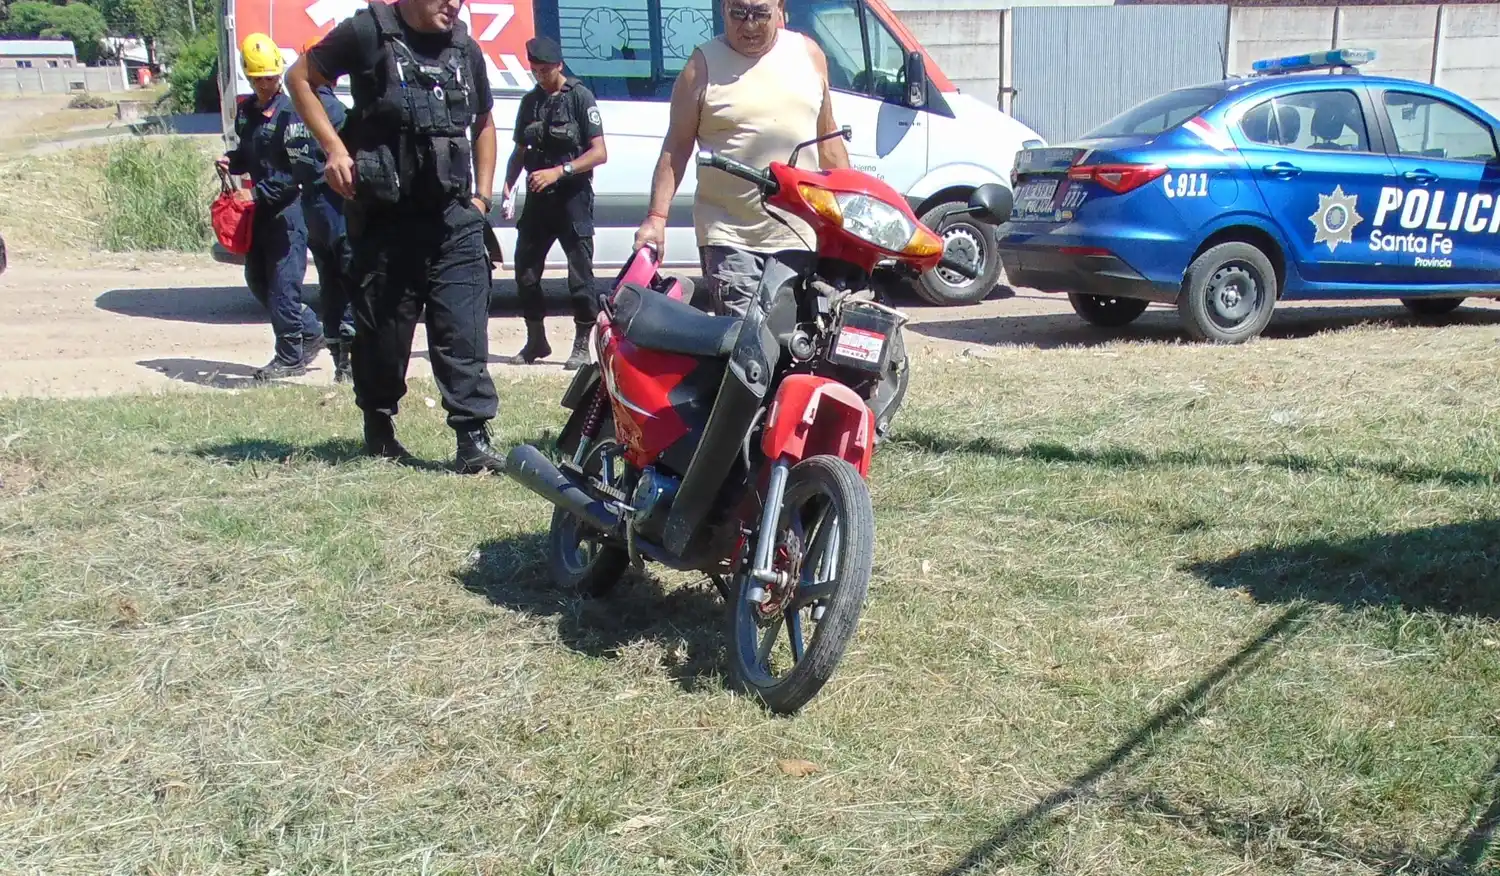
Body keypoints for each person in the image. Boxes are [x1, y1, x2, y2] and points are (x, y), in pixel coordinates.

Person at [284, 0, 507, 473]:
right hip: (386, 220)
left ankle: (472, 439)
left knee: (462, 331)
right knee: (384, 338)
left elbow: (483, 122)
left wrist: (482, 199)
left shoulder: (465, 48)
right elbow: (299, 79)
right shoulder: (367, 32)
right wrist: (334, 149)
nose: (455, 4)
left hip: (454, 218)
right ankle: (379, 426)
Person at [632, 0, 850, 318]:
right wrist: (656, 218)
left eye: (760, 13)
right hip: (729, 237)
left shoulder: (809, 54)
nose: (749, 25)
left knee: (798, 344)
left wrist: (854, 216)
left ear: (779, 8)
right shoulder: (701, 66)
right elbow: (676, 147)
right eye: (738, 12)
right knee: (746, 350)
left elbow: (828, 140)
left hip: (800, 235)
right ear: (723, 9)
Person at [219, 32, 326, 382]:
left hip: (288, 212)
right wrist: (232, 162)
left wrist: (259, 192)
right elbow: (251, 154)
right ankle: (311, 331)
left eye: (270, 77)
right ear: (249, 77)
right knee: (258, 280)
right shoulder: (248, 111)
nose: (265, 84)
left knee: (284, 286)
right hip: (261, 214)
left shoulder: (291, 113)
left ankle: (290, 357)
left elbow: (300, 171)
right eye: (258, 79)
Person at [500, 36, 608, 371]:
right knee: (526, 273)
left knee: (580, 277)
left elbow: (599, 153)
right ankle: (536, 340)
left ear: (559, 65)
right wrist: (508, 184)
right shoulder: (530, 102)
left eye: (546, 69)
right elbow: (520, 150)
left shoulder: (579, 97)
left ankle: (580, 345)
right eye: (535, 70)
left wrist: (560, 171)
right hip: (538, 201)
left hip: (572, 198)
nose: (540, 75)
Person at [282, 36, 356, 384]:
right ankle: (352, 361)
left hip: (311, 207)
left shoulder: (291, 112)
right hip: (337, 205)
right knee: (353, 279)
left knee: (329, 282)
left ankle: (338, 358)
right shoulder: (335, 111)